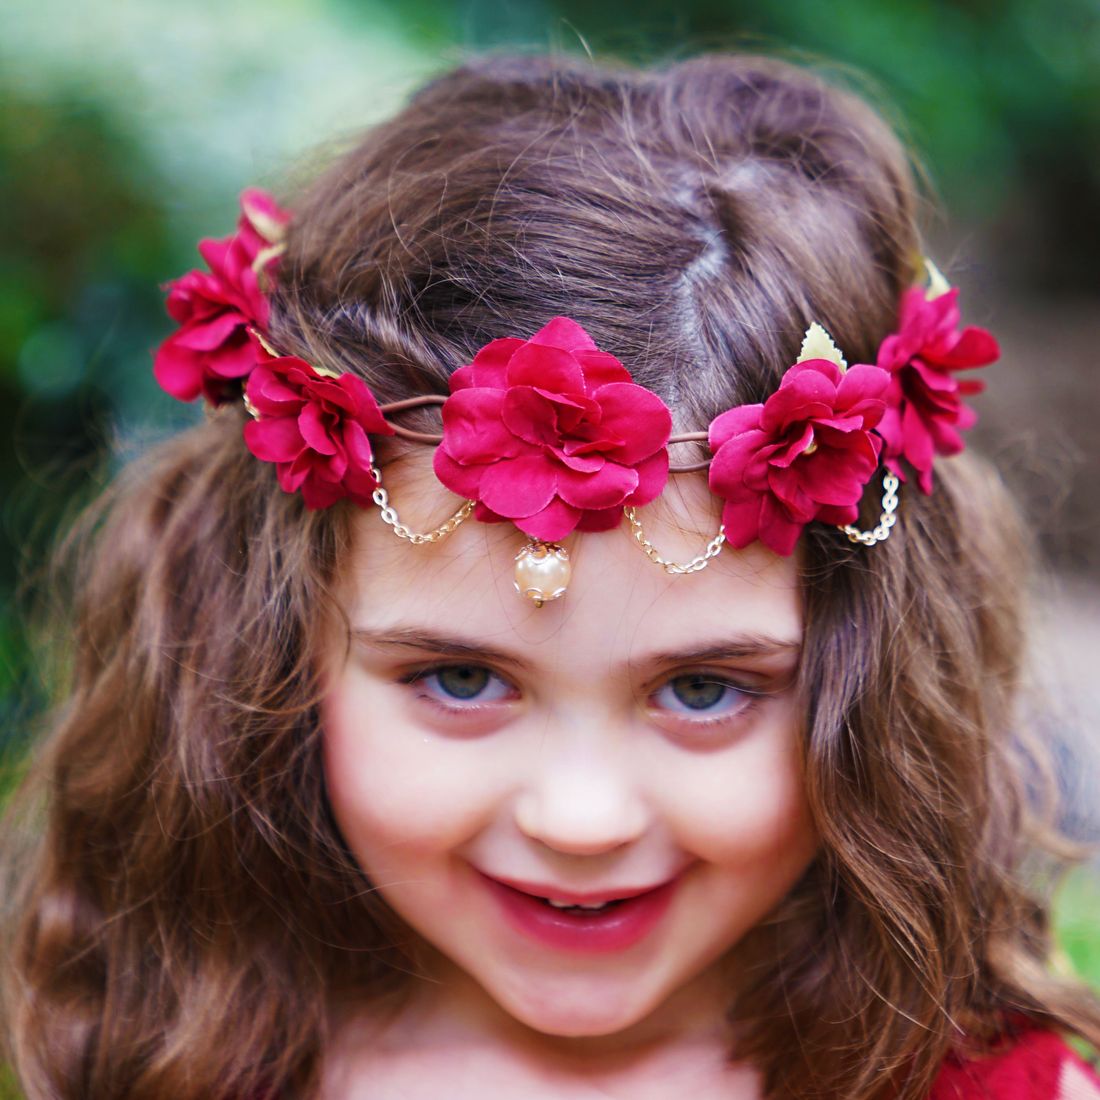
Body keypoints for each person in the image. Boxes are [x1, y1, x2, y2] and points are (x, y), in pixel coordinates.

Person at [3, 50, 1099, 1100]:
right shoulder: (162, 1053)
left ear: (874, 674)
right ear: (272, 646)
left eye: (702, 689)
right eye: (461, 679)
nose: (581, 819)